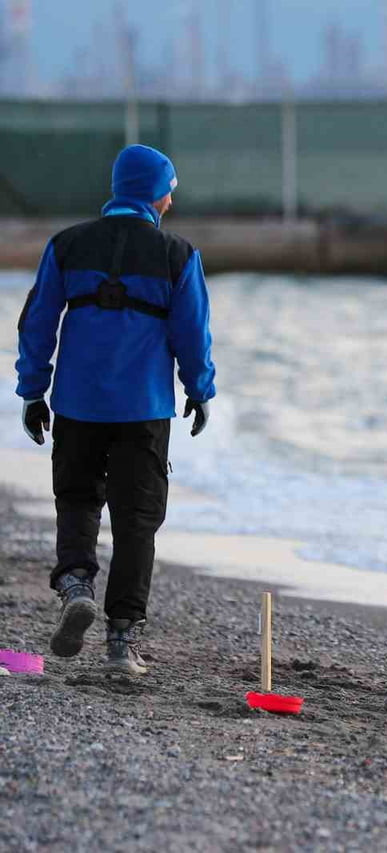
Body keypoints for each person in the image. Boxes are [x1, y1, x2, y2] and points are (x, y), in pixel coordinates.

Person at [14, 144, 216, 676]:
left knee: (77, 498)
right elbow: (192, 334)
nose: (172, 198)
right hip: (143, 408)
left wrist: (32, 391)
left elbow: (37, 322)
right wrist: (200, 389)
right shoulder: (179, 254)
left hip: (77, 403)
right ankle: (122, 641)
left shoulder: (67, 244)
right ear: (155, 191)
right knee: (136, 521)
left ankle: (76, 584)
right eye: (169, 188)